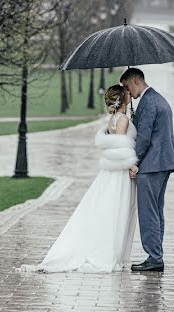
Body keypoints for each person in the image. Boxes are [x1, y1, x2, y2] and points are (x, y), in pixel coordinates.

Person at [18, 84, 139, 273]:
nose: (130, 93)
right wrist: (131, 164)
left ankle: (112, 251)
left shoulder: (112, 120)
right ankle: (108, 253)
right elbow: (119, 147)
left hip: (110, 171)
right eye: (127, 92)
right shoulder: (122, 119)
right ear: (122, 97)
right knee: (117, 209)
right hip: (119, 173)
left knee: (109, 209)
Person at [120, 67, 174, 273]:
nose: (127, 92)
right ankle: (156, 255)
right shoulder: (155, 99)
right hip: (162, 163)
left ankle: (154, 257)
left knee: (148, 213)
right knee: (156, 211)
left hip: (152, 165)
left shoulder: (148, 102)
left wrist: (134, 161)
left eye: (126, 86)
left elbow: (144, 138)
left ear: (135, 81)